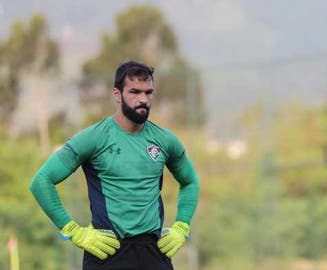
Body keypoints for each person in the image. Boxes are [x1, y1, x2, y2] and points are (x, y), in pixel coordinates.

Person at [29, 61, 200, 270]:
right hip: (107, 251)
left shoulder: (165, 140)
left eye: (148, 92)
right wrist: (74, 232)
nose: (143, 99)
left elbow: (190, 182)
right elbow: (41, 181)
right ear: (117, 95)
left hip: (154, 252)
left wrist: (181, 227)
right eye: (135, 92)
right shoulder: (93, 138)